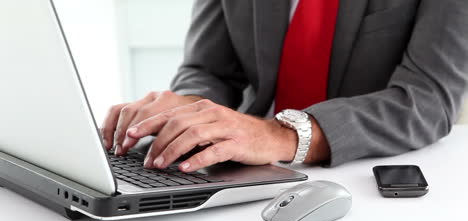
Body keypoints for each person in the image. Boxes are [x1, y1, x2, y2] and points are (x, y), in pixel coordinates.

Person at [101, 0, 468, 173]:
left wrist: (282, 136)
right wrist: (190, 108)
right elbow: (210, 69)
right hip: (244, 167)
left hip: (365, 173)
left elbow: (428, 98)